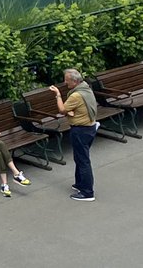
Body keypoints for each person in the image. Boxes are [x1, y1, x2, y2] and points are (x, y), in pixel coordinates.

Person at [49, 68, 98, 202]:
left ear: (75, 81)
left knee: (83, 161)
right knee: (80, 158)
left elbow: (62, 109)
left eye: (67, 80)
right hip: (90, 127)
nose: (65, 83)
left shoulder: (76, 95)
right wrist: (71, 112)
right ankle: (80, 184)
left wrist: (58, 95)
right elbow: (82, 108)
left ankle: (87, 192)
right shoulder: (86, 88)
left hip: (81, 130)